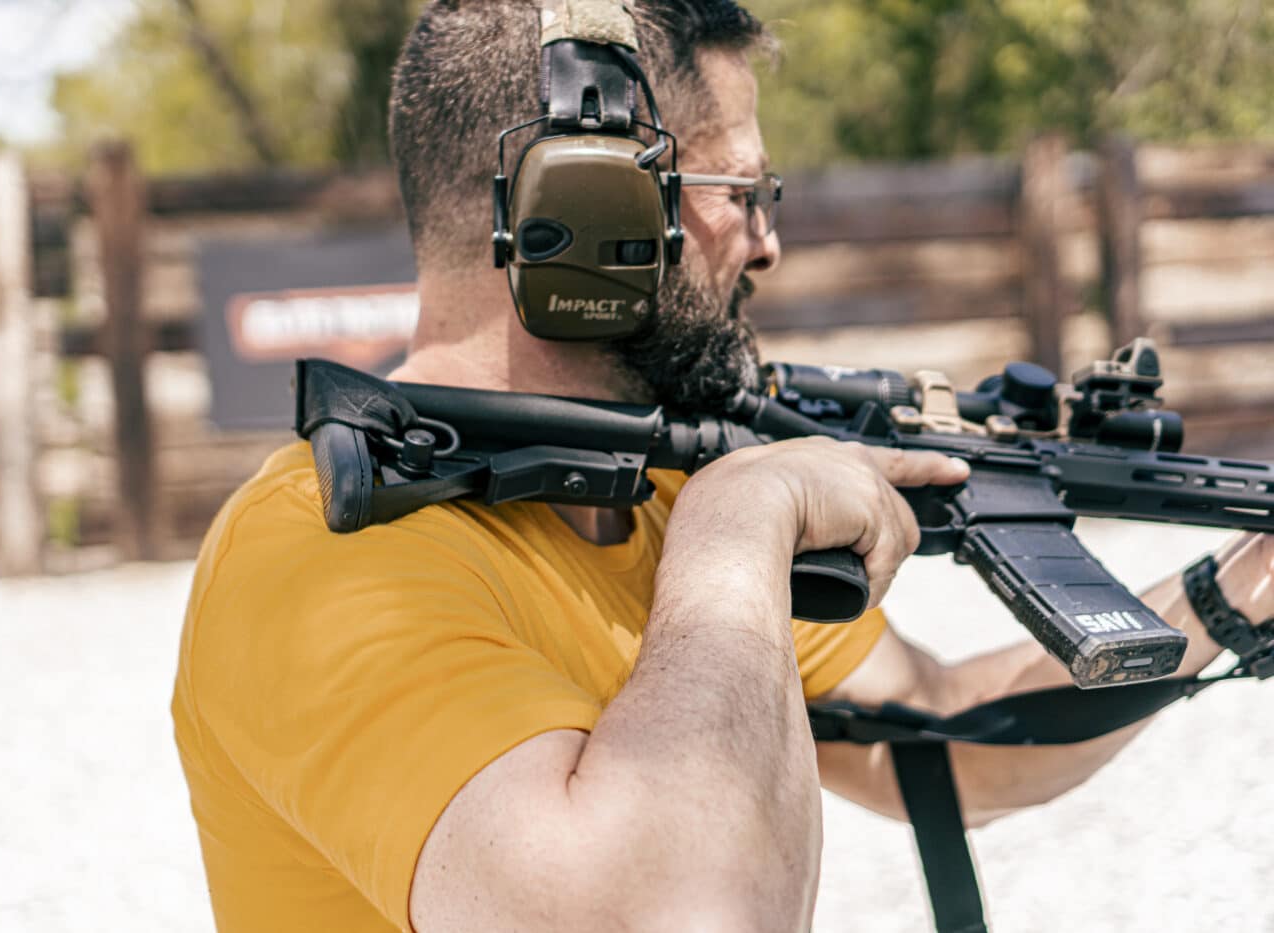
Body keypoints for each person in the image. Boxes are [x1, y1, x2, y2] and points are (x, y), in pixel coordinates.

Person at [171, 2, 1274, 930]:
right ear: (591, 211)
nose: (765, 242)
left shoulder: (651, 492)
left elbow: (938, 735)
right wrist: (743, 526)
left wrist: (1235, 598)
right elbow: (675, 915)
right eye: (738, 192)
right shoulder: (321, 552)